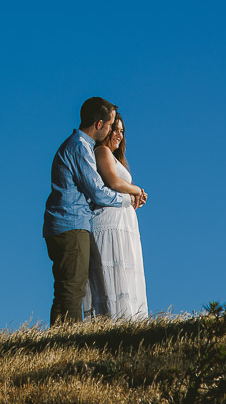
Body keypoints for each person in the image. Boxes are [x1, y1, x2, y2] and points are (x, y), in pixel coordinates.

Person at [43, 97, 147, 325]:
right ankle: (64, 343)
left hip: (67, 223)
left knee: (70, 287)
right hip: (71, 224)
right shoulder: (80, 147)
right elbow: (98, 191)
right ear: (99, 124)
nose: (112, 131)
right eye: (110, 125)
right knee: (72, 289)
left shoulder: (80, 146)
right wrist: (128, 199)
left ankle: (62, 339)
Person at [82, 113, 149, 320]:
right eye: (115, 129)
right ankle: (113, 319)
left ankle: (127, 319)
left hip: (123, 221)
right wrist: (137, 190)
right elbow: (112, 181)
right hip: (109, 221)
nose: (119, 135)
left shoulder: (115, 157)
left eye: (122, 131)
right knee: (114, 267)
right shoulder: (102, 151)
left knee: (126, 270)